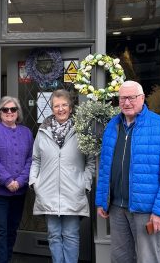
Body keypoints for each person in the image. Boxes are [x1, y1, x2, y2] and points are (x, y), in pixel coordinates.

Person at [95, 81, 160, 263]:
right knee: (120, 259)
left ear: (142, 98)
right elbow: (105, 166)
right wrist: (102, 200)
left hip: (146, 210)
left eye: (131, 98)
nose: (126, 102)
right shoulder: (112, 126)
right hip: (117, 208)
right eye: (122, 98)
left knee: (148, 259)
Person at [29, 89, 95, 263]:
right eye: (56, 106)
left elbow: (90, 161)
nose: (60, 109)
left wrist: (85, 183)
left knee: (71, 235)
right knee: (53, 235)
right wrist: (35, 182)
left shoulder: (81, 130)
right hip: (48, 193)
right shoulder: (43, 131)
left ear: (70, 108)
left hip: (73, 192)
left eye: (64, 105)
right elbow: (36, 159)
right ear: (52, 109)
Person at [0, 96, 33, 263]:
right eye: (5, 109)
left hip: (19, 192)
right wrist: (7, 181)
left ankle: (7, 260)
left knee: (12, 230)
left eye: (13, 109)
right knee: (0, 232)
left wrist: (21, 181)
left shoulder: (26, 132)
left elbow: (31, 159)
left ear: (18, 112)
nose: (9, 112)